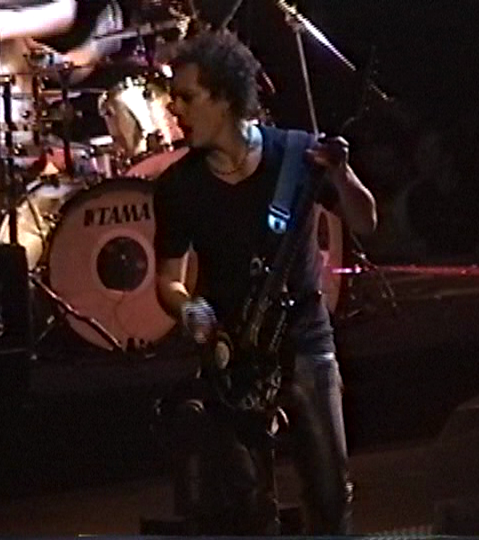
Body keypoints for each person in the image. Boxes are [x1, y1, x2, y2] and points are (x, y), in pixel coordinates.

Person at [153, 30, 377, 534]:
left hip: (305, 341)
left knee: (329, 492)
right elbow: (169, 280)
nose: (175, 109)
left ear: (225, 97)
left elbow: (366, 223)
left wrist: (343, 175)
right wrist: (189, 310)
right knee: (248, 509)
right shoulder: (177, 187)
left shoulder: (297, 155)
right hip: (233, 355)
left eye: (187, 97)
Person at [0, 0, 124, 169]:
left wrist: (102, 43)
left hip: (30, 144)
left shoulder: (17, 38)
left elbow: (67, 70)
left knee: (99, 156)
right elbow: (64, 15)